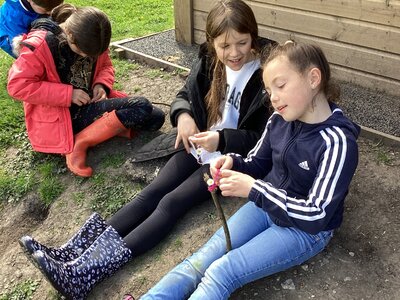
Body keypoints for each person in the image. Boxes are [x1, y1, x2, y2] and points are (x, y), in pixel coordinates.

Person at [18, 0, 274, 298]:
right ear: (211, 42)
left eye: (242, 43)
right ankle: (71, 254)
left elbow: (260, 137)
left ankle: (86, 272)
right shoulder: (208, 58)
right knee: (150, 194)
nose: (234, 53)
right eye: (225, 45)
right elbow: (184, 95)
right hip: (197, 145)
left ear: (252, 36)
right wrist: (185, 117)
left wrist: (222, 141)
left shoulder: (264, 72)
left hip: (226, 160)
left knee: (171, 203)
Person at [135, 41, 360, 299]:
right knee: (203, 258)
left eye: (281, 85)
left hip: (304, 230)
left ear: (313, 78)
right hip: (265, 205)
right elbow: (256, 163)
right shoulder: (278, 120)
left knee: (222, 272)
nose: (273, 98)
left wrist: (255, 189)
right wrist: (232, 161)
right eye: (268, 90)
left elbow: (316, 215)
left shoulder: (337, 143)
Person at [7, 4, 165, 178]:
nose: (85, 57)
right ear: (70, 35)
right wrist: (68, 94)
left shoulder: (94, 37)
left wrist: (101, 85)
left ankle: (104, 127)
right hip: (62, 117)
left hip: (89, 103)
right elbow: (17, 86)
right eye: (82, 52)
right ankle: (80, 142)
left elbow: (106, 66)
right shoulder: (41, 45)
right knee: (141, 106)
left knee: (156, 118)